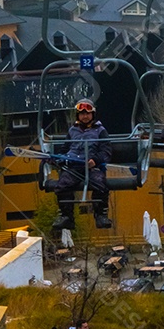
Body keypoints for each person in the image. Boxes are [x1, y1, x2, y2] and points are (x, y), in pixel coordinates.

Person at [52, 98, 112, 230]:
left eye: (87, 113)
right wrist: (60, 159)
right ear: (78, 115)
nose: (85, 116)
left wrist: (95, 161)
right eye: (82, 114)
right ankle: (66, 217)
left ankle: (101, 215)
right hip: (74, 166)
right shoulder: (72, 131)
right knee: (62, 185)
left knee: (100, 184)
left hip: (92, 167)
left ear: (92, 114)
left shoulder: (100, 130)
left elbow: (106, 151)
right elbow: (65, 149)